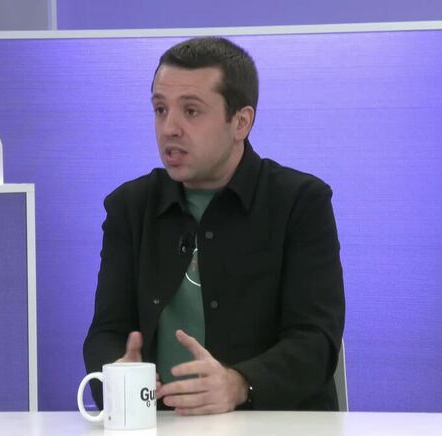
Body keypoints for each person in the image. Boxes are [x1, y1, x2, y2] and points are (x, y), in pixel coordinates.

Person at [83, 36, 345, 414]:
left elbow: (316, 341)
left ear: (241, 122)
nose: (169, 128)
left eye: (191, 111)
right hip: (161, 422)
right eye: (160, 109)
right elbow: (106, 332)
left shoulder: (300, 202)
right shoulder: (130, 207)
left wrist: (239, 384)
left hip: (273, 421)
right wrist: (117, 373)